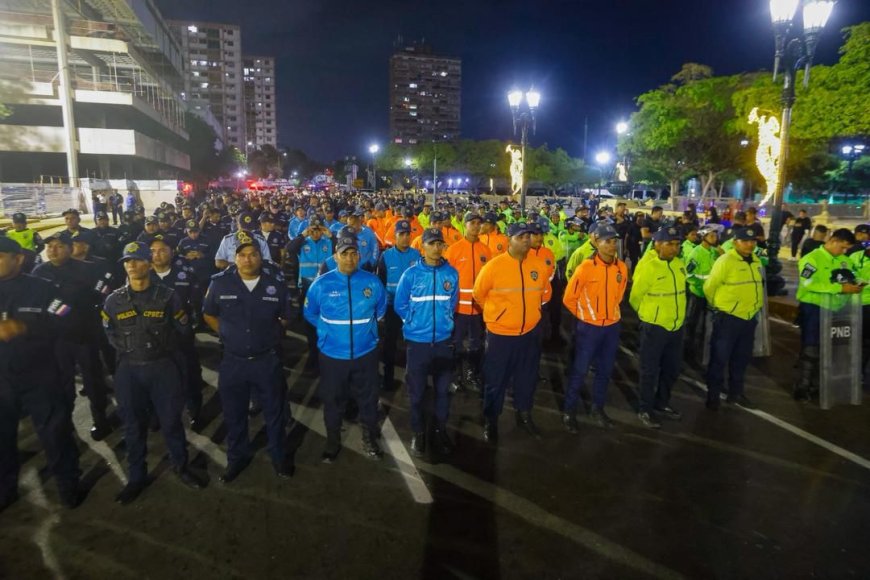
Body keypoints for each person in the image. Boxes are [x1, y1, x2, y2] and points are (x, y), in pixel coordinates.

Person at [102, 241, 206, 504]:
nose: (131, 266)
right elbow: (109, 332)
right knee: (133, 426)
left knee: (171, 421)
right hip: (129, 369)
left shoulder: (169, 296)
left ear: (147, 263)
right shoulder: (113, 300)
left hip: (163, 367)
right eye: (127, 261)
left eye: (136, 260)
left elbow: (184, 330)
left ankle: (181, 466)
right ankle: (136, 477)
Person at [203, 234, 294, 482]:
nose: (247, 259)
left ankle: (279, 457)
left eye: (253, 254)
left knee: (274, 413)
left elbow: (285, 317)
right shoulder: (220, 284)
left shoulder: (275, 283)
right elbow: (209, 313)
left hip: (267, 360)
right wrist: (226, 333)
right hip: (234, 361)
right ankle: (237, 458)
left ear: (260, 256)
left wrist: (269, 336)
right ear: (234, 258)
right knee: (234, 413)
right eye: (242, 255)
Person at [0, 237, 82, 511]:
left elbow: (66, 316)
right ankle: (5, 488)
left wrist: (25, 328)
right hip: (2, 379)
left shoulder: (43, 288)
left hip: (40, 376)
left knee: (55, 434)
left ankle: (68, 484)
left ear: (18, 258)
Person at [304, 234, 387, 462]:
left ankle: (369, 438)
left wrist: (367, 333)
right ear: (335, 256)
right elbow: (310, 313)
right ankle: (332, 441)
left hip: (365, 354)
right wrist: (327, 331)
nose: (350, 259)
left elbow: (380, 310)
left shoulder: (372, 282)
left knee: (368, 400)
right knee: (332, 400)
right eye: (344, 254)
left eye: (354, 254)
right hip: (332, 356)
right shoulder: (321, 284)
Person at [473, 222, 552, 443]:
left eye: (529, 235)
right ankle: (491, 419)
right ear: (509, 239)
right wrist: (497, 316)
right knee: (496, 380)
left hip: (529, 333)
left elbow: (545, 293)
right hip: (501, 335)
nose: (526, 239)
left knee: (527, 378)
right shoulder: (493, 266)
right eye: (521, 236)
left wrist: (534, 315)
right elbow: (479, 295)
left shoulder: (538, 265)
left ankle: (524, 413)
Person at [33, 232, 111, 440]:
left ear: (69, 248)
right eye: (49, 247)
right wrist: (65, 311)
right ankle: (64, 422)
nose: (53, 250)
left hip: (84, 335)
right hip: (56, 339)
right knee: (61, 383)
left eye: (58, 246)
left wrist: (90, 310)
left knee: (93, 380)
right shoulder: (39, 272)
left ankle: (100, 419)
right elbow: (38, 301)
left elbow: (103, 291)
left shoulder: (87, 269)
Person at [393, 228, 459, 457]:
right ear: (423, 246)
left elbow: (452, 304)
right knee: (417, 393)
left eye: (440, 243)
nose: (436, 248)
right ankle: (418, 432)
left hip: (442, 342)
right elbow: (399, 304)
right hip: (418, 343)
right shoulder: (410, 275)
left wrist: (445, 322)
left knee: (442, 393)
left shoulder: (451, 274)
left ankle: (441, 430)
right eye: (432, 243)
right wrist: (412, 322)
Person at [561, 223, 628, 432]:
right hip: (589, 328)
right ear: (596, 242)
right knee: (580, 370)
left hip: (611, 328)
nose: (612, 245)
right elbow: (569, 298)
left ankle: (597, 408)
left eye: (614, 241)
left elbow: (620, 294)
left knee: (605, 371)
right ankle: (569, 410)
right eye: (607, 241)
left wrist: (611, 315)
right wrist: (586, 316)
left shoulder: (621, 267)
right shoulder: (586, 267)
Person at [629, 226, 687, 429]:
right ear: (657, 245)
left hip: (676, 327)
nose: (674, 248)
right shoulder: (648, 267)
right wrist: (648, 316)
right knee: (649, 371)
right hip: (655, 327)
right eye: (669, 244)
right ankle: (645, 409)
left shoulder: (680, 264)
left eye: (677, 244)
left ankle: (661, 403)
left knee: (672, 370)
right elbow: (635, 298)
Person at [794, 228, 862, 401]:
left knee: (828, 349)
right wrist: (839, 288)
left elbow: (852, 277)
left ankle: (819, 385)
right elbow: (808, 283)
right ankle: (803, 386)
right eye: (843, 247)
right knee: (811, 347)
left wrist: (856, 285)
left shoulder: (844, 261)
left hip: (836, 310)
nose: (844, 251)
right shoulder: (812, 259)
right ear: (833, 240)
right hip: (814, 308)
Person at [703, 228, 766, 410]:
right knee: (719, 359)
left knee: (741, 359)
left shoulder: (755, 261)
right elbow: (710, 287)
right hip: (728, 318)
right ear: (735, 242)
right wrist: (719, 307)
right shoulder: (725, 261)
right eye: (746, 241)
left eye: (753, 241)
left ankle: (735, 393)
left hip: (748, 318)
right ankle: (713, 395)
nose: (750, 244)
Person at [149, 236, 205, 429]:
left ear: (172, 252)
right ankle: (159, 412)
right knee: (157, 378)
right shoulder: (145, 277)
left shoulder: (185, 274)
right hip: (153, 338)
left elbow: (197, 302)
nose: (158, 254)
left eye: (162, 250)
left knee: (189, 373)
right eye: (154, 251)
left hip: (181, 336)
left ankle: (194, 409)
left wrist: (192, 326)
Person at [443, 212, 492, 392]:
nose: (476, 226)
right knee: (455, 342)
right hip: (458, 308)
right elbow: (446, 279)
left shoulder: (486, 251)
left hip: (478, 309)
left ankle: (472, 373)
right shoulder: (454, 249)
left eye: (479, 223)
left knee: (476, 344)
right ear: (465, 225)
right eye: (472, 223)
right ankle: (455, 375)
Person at [285, 216, 335, 371]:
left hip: (326, 289)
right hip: (307, 288)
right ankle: (313, 353)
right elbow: (289, 249)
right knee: (310, 322)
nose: (316, 233)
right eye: (313, 229)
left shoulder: (328, 243)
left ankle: (326, 353)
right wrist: (303, 234)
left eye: (318, 230)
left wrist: (331, 235)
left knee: (327, 320)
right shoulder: (303, 243)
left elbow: (341, 248)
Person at [375, 220, 418, 390]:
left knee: (413, 345)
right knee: (390, 344)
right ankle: (388, 378)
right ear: (395, 236)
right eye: (402, 234)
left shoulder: (416, 256)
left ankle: (413, 379)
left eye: (408, 234)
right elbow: (380, 283)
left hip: (411, 308)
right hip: (392, 308)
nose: (406, 237)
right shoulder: (385, 256)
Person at [684, 224, 725, 362]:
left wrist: (723, 256)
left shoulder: (715, 252)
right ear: (704, 237)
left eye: (716, 235)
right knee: (692, 323)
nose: (715, 238)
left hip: (712, 295)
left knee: (708, 325)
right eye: (712, 235)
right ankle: (688, 351)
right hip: (698, 294)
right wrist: (703, 286)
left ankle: (703, 350)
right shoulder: (696, 253)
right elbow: (689, 275)